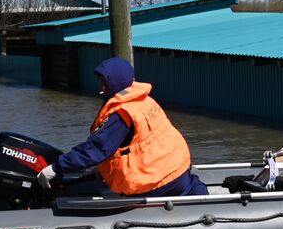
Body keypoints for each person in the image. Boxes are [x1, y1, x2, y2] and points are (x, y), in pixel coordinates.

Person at [38, 56, 208, 197]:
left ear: (116, 83)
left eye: (105, 82)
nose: (101, 86)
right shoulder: (144, 100)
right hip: (177, 170)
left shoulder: (122, 113)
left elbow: (97, 148)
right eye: (100, 81)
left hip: (156, 180)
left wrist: (56, 167)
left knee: (74, 193)